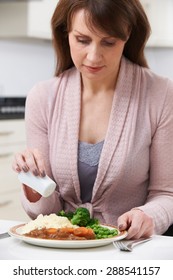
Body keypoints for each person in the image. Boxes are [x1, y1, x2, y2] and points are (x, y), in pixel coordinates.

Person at [12, 0, 173, 240]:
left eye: (108, 42)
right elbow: (45, 213)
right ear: (65, 32)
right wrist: (33, 184)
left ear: (128, 34)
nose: (94, 56)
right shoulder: (42, 98)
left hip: (129, 249)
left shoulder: (161, 94)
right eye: (82, 40)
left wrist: (148, 215)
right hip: (62, 247)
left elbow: (166, 194)